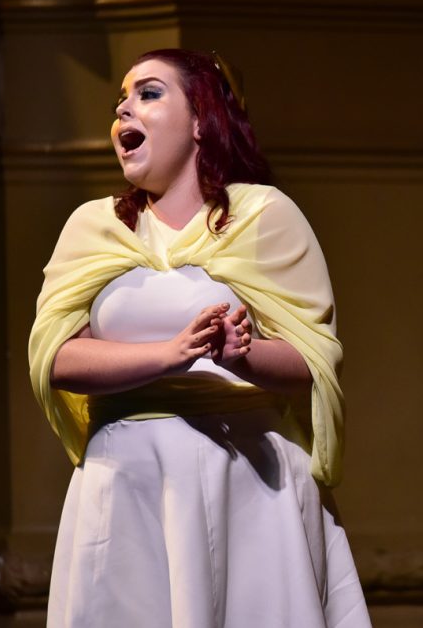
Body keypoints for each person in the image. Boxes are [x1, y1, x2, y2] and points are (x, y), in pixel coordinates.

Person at [28, 49, 372, 627]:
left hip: (246, 474)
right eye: (119, 101)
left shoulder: (263, 215)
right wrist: (168, 355)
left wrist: (243, 356)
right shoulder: (95, 227)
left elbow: (312, 360)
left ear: (199, 119)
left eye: (148, 93)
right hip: (127, 476)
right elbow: (56, 357)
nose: (123, 110)